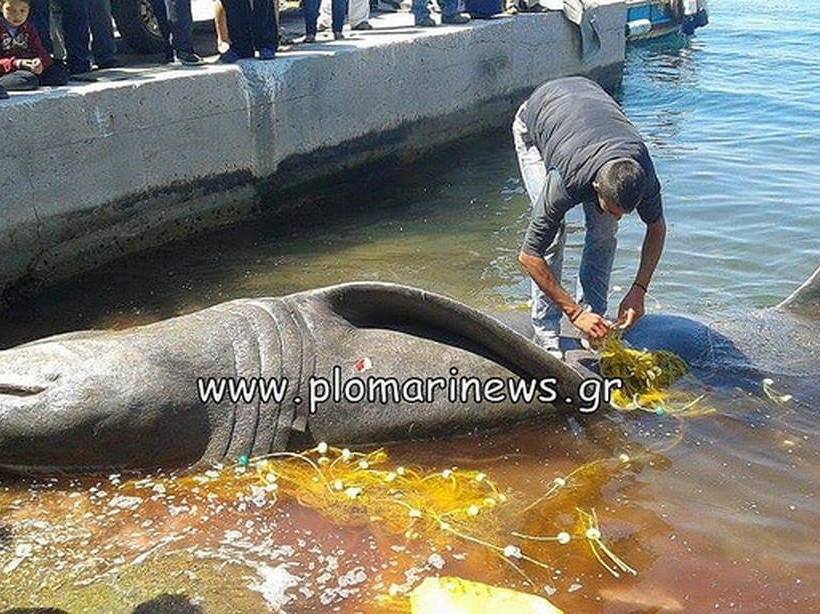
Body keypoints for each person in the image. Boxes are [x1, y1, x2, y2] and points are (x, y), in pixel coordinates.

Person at [513, 76, 666, 355]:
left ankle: (595, 324)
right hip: (536, 125)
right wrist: (574, 313)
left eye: (624, 213)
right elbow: (529, 256)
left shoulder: (642, 171)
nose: (618, 218)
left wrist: (639, 290)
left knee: (605, 231)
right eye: (614, 211)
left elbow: (656, 228)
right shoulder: (567, 181)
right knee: (553, 237)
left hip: (586, 109)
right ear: (596, 189)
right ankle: (546, 331)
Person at [1, 0, 69, 90]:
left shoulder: (28, 28)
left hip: (26, 67)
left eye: (22, 10)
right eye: (11, 10)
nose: (17, 15)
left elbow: (40, 51)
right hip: (6, 69)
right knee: (28, 80)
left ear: (28, 10)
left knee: (59, 75)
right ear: (1, 7)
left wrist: (40, 62)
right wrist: (17, 63)